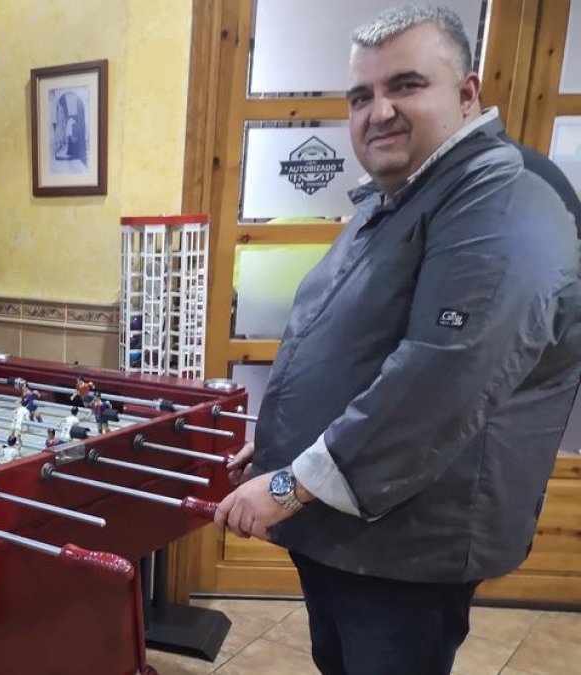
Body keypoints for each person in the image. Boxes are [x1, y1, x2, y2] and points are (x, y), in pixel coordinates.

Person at [213, 7, 580, 675]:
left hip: (409, 548)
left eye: (405, 85)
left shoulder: (499, 192)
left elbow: (442, 377)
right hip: (347, 532)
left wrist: (291, 483)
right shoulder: (399, 196)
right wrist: (279, 448)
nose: (378, 111)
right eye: (361, 96)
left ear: (466, 94)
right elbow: (353, 344)